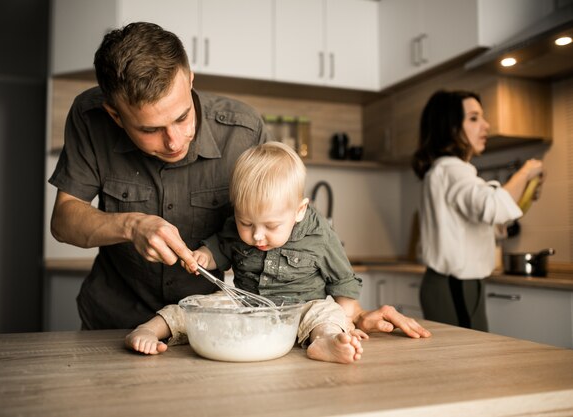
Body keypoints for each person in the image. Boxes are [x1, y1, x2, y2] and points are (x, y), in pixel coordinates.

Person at [49, 21, 432, 337]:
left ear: (191, 80)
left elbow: (294, 243)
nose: (174, 140)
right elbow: (64, 220)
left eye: (183, 117)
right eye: (151, 129)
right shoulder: (89, 117)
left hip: (209, 325)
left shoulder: (243, 130)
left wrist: (348, 316)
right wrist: (131, 225)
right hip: (111, 321)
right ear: (116, 116)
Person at [126, 142, 430, 363]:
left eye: (271, 226)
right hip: (248, 306)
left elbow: (343, 279)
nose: (257, 235)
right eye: (247, 223)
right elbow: (221, 244)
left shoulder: (318, 234)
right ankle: (151, 328)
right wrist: (205, 256)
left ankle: (325, 343)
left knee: (327, 314)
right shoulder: (236, 225)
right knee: (198, 305)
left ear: (299, 211)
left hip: (301, 310)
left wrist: (350, 316)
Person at [412, 90, 544, 331]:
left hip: (455, 285)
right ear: (451, 128)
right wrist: (525, 172)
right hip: (456, 285)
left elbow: (485, 221)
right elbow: (492, 207)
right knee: (464, 363)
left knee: (461, 363)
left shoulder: (448, 170)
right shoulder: (453, 169)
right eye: (473, 118)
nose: (486, 125)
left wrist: (523, 196)